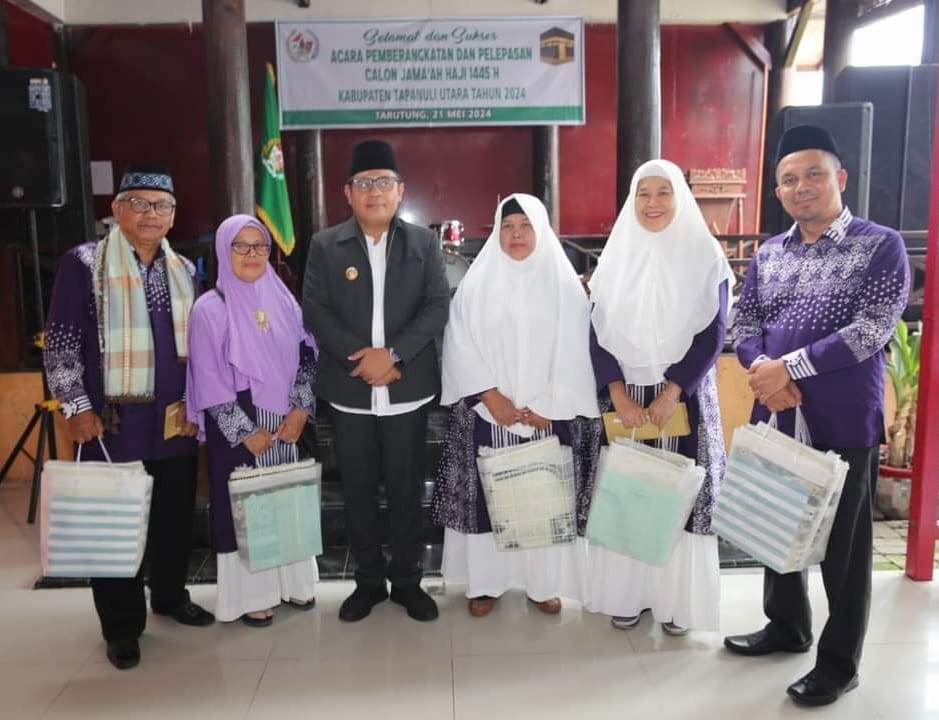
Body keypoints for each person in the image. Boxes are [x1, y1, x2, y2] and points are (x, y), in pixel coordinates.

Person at [725, 125, 910, 707]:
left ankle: (838, 662)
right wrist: (763, 373)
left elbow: (871, 328)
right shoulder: (771, 252)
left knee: (844, 546)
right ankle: (787, 626)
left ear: (840, 179)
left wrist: (789, 369)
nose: (801, 187)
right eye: (788, 179)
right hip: (774, 410)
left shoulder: (880, 245)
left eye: (813, 175)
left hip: (842, 417)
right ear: (778, 193)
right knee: (775, 519)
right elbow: (744, 321)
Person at [42, 164, 214, 671]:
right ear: (116, 210)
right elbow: (62, 343)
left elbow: (199, 350)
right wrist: (76, 407)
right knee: (114, 525)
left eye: (161, 206)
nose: (150, 213)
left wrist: (199, 409)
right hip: (110, 425)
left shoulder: (184, 268)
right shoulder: (84, 262)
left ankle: (168, 596)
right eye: (138, 203)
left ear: (173, 216)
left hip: (175, 423)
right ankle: (121, 626)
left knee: (173, 517)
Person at [585, 159, 735, 636]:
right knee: (629, 495)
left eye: (663, 192)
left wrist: (674, 390)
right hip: (625, 396)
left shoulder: (704, 254)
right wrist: (617, 391)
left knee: (679, 497)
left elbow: (714, 331)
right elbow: (594, 329)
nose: (652, 203)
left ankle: (676, 604)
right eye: (643, 194)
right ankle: (630, 596)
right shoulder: (615, 256)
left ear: (680, 198)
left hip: (683, 394)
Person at [303, 140, 449, 622]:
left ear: (400, 191)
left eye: (383, 183)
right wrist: (361, 360)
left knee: (407, 489)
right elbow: (316, 311)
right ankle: (367, 582)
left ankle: (407, 580)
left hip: (407, 389)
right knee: (358, 490)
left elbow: (436, 307)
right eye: (364, 183)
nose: (374, 192)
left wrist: (395, 355)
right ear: (347, 192)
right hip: (350, 391)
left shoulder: (424, 244)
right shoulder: (326, 245)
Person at [432, 194, 599, 617]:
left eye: (525, 225)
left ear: (541, 229)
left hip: (548, 415)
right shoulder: (476, 284)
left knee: (543, 497)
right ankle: (486, 583)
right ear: (496, 231)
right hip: (491, 414)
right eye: (507, 226)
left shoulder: (564, 287)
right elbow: (460, 343)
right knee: (490, 497)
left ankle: (542, 585)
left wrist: (549, 406)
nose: (517, 234)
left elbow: (577, 351)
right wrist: (491, 397)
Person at [186, 214, 318, 628]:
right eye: (240, 246)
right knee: (246, 509)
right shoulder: (209, 309)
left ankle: (294, 583)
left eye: (259, 246)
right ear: (224, 252)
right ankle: (253, 595)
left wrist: (300, 409)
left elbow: (308, 357)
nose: (251, 254)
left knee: (286, 502)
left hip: (286, 422)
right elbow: (207, 377)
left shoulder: (284, 300)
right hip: (240, 423)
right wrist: (244, 431)